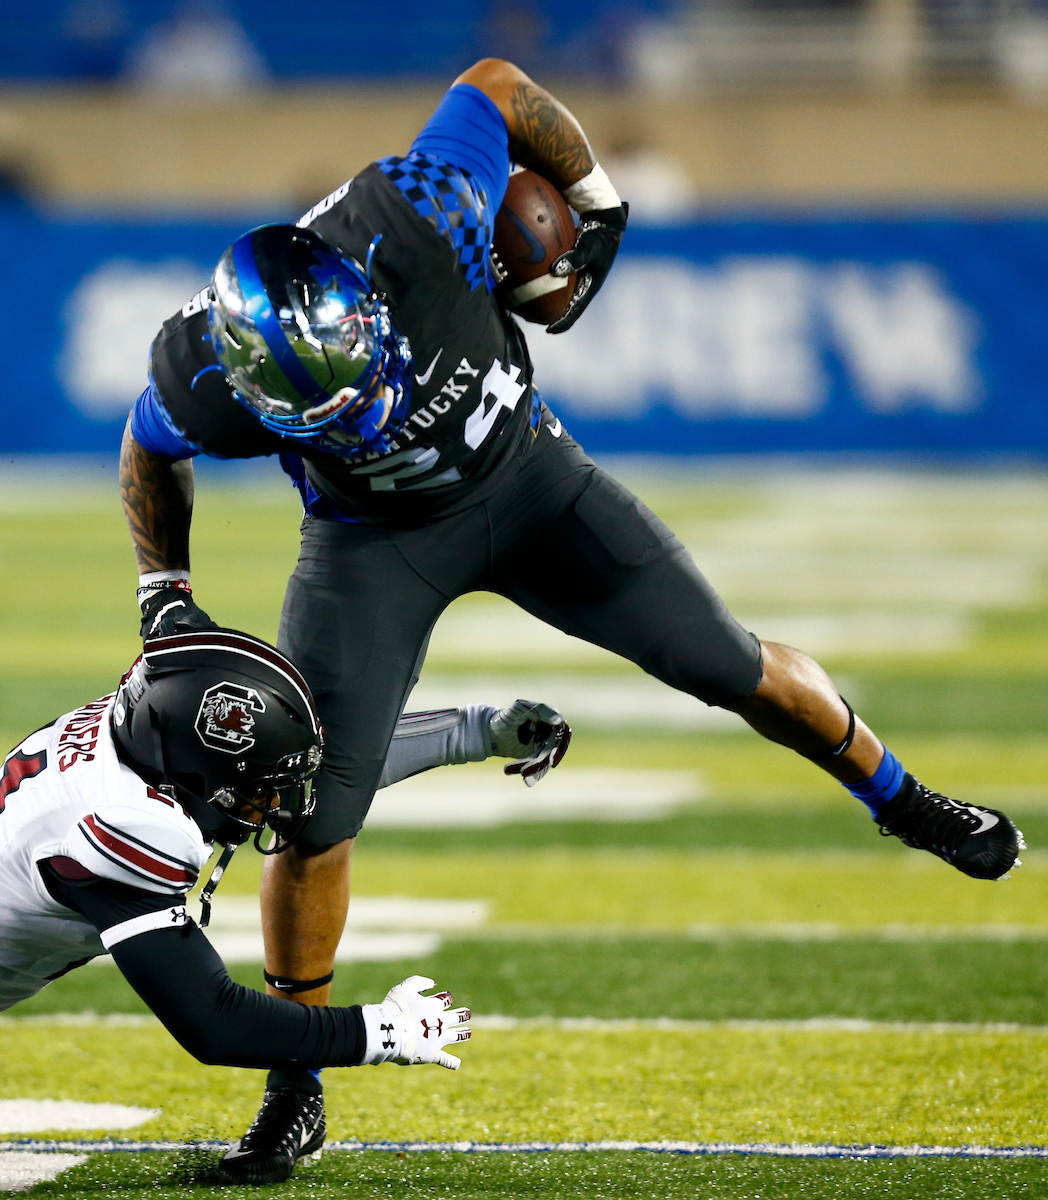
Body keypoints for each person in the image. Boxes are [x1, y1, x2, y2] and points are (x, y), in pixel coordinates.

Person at [119, 56, 1023, 1184]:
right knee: (310, 810)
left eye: (364, 385)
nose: (364, 415)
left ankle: (903, 799)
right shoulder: (202, 372)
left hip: (533, 485)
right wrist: (166, 594)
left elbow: (493, 83)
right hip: (372, 543)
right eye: (326, 413)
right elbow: (147, 443)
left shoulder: (423, 213)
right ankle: (294, 1085)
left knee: (725, 662)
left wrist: (589, 195)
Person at [0, 629, 569, 1182]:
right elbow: (213, 1023)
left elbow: (274, 769)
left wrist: (467, 734)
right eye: (260, 789)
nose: (273, 803)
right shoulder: (121, 829)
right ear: (196, 773)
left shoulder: (136, 729)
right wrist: (380, 1032)